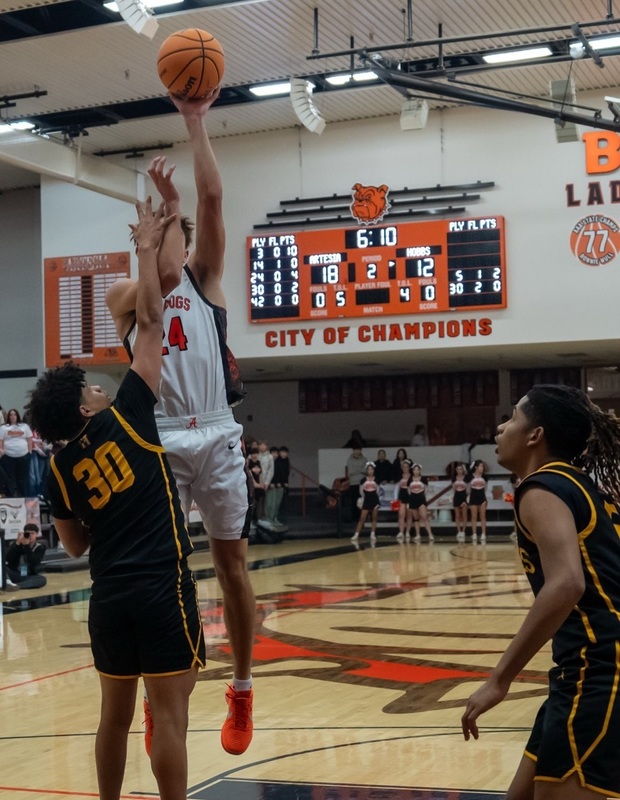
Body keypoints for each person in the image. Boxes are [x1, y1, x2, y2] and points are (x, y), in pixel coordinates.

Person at [27, 198, 206, 800]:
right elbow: (151, 322)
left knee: (114, 718)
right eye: (90, 386)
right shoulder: (129, 415)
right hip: (161, 583)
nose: (101, 385)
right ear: (85, 408)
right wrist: (148, 245)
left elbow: (74, 545)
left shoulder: (57, 467)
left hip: (108, 594)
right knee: (172, 717)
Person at [105, 90, 256, 756]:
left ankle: (243, 688)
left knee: (233, 568)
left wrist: (195, 122)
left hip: (216, 430)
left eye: (177, 231)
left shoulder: (206, 281)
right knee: (164, 572)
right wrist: (159, 223)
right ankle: (163, 695)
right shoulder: (124, 295)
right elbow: (153, 283)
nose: (172, 240)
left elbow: (213, 202)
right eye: (165, 229)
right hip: (158, 440)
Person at [461, 384, 620, 800]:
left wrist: (499, 679)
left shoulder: (542, 487)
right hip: (580, 671)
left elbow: (567, 583)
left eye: (512, 417)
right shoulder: (585, 488)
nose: (500, 428)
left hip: (599, 670)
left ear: (535, 435)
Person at [0, 408, 33, 496]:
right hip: (8, 456)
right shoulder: (4, 428)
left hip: (23, 455)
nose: (13, 416)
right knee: (10, 478)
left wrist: (29, 452)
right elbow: (1, 440)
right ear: (8, 416)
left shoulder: (24, 426)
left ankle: (23, 496)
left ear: (17, 416)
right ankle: (10, 497)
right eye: (11, 415)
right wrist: (1, 450)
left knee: (22, 478)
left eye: (14, 414)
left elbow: (29, 439)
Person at [5, 523, 47, 589]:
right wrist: (17, 543)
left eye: (32, 533)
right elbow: (8, 559)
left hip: (28, 575)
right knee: (3, 568)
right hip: (14, 573)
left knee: (42, 580)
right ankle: (9, 582)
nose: (30, 536)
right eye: (27, 534)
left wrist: (26, 546)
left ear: (37, 534)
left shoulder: (40, 547)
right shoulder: (17, 544)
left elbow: (34, 562)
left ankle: (16, 586)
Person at [350, 462, 380, 543]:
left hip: (374, 500)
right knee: (362, 518)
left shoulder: (376, 480)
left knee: (374, 518)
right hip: (366, 500)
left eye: (372, 469)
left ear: (373, 470)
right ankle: (356, 534)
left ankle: (372, 534)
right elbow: (361, 491)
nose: (370, 471)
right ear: (367, 470)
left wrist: (374, 497)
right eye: (369, 469)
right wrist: (363, 498)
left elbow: (378, 490)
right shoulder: (363, 480)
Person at [408, 463, 434, 543]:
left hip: (421, 500)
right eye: (415, 469)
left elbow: (426, 489)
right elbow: (408, 490)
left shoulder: (423, 479)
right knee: (416, 518)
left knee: (424, 516)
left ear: (420, 470)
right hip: (413, 499)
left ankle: (430, 534)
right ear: (412, 471)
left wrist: (422, 497)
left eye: (417, 469)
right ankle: (418, 535)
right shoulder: (410, 479)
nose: (416, 471)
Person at [466, 459, 488, 543]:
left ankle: (483, 534)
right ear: (476, 467)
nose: (482, 468)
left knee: (482, 516)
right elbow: (468, 489)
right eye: (481, 466)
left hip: (482, 497)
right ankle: (474, 533)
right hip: (473, 498)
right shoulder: (469, 477)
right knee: (474, 516)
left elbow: (486, 488)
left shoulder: (485, 476)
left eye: (482, 466)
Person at [344, 444, 366, 522]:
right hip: (353, 483)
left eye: (359, 449)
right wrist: (360, 469)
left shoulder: (364, 459)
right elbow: (351, 471)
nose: (357, 451)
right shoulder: (349, 459)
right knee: (354, 501)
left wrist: (357, 469)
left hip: (362, 483)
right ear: (353, 450)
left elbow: (365, 471)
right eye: (355, 449)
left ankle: (361, 518)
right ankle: (354, 518)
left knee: (361, 501)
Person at [394, 458, 413, 542]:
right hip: (401, 497)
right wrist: (395, 500)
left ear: (409, 467)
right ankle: (401, 532)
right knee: (401, 515)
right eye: (403, 467)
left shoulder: (412, 477)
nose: (405, 468)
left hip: (410, 497)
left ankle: (408, 532)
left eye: (406, 467)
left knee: (409, 515)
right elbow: (396, 488)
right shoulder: (399, 476)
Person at [450, 462, 469, 543]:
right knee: (457, 515)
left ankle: (463, 531)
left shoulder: (466, 478)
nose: (459, 471)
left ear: (463, 470)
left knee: (464, 514)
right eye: (458, 469)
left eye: (461, 469)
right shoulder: (454, 478)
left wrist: (467, 498)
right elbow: (454, 489)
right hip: (457, 496)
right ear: (456, 470)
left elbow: (468, 490)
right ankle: (459, 531)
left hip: (464, 496)